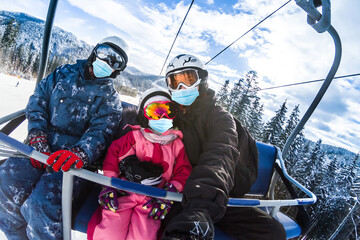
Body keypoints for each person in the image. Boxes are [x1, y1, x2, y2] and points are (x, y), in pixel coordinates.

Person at [0, 36, 128, 240]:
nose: (107, 63)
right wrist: (37, 136)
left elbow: (101, 133)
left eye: (116, 61)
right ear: (95, 51)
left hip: (72, 164)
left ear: (118, 70)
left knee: (42, 203)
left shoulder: (110, 100)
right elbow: (38, 102)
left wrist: (80, 153)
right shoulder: (62, 74)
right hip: (37, 149)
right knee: (5, 181)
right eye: (105, 53)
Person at [161, 54, 287, 240]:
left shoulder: (220, 118)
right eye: (174, 82)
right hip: (176, 192)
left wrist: (200, 209)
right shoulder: (170, 115)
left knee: (273, 233)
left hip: (213, 195)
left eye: (188, 79)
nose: (181, 88)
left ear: (203, 80)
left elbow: (220, 156)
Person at [87, 88, 192, 240]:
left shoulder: (176, 144)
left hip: (154, 198)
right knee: (110, 231)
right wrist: (109, 183)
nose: (162, 117)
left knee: (144, 235)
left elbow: (184, 170)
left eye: (168, 111)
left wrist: (171, 191)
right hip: (125, 192)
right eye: (155, 112)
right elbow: (113, 155)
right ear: (145, 116)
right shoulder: (135, 136)